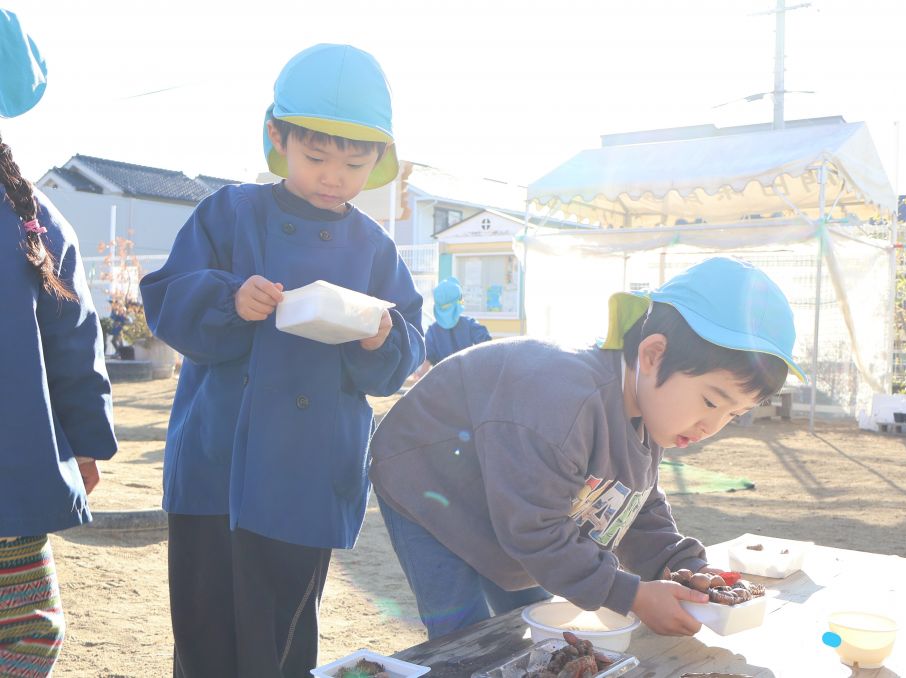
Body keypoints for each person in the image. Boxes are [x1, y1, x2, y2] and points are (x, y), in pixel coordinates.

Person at [140, 44, 424, 678]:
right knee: (205, 638)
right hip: (216, 469)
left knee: (285, 640)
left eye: (354, 164)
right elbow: (165, 299)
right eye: (316, 157)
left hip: (309, 476)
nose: (334, 177)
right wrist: (229, 300)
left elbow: (406, 345)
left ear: (379, 158)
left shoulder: (374, 247)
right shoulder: (231, 212)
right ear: (278, 137)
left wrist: (380, 339)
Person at [370, 256, 805, 639]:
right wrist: (631, 595)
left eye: (733, 414)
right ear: (653, 355)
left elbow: (633, 504)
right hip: (427, 483)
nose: (712, 426)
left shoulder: (648, 413)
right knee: (465, 635)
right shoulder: (564, 401)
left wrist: (681, 564)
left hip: (506, 498)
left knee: (529, 615)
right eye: (711, 401)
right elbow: (535, 531)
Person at [0, 8, 117, 676]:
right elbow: (75, 347)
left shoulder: (38, 224)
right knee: (26, 632)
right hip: (10, 491)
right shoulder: (36, 221)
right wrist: (87, 443)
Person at [416, 276, 492, 376]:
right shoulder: (469, 324)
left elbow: (427, 361)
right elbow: (487, 347)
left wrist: (419, 375)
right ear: (458, 303)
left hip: (443, 380)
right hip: (467, 378)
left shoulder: (432, 331)